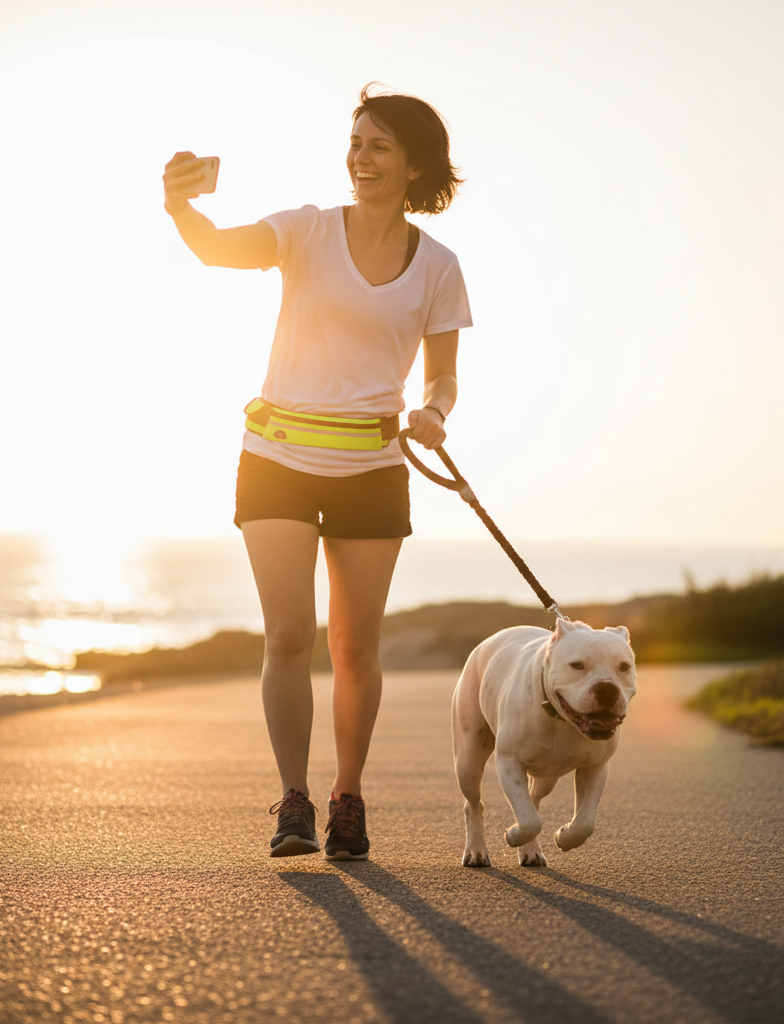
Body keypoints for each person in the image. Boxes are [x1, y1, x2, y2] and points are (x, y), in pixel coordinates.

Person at [162, 85, 471, 860]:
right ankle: (293, 800)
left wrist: (434, 412)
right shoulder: (304, 231)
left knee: (355, 648)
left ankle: (348, 798)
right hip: (277, 458)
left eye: (378, 147)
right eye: (355, 142)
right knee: (290, 634)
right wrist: (180, 209)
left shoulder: (438, 266)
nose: (359, 159)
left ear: (412, 167)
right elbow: (213, 247)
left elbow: (443, 377)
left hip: (371, 464)